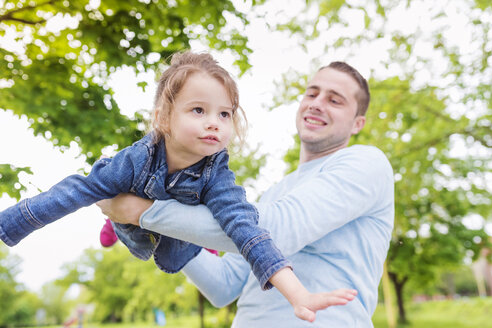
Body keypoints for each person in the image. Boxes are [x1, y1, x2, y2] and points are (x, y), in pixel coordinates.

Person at [0, 51, 356, 322]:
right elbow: (76, 191)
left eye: (224, 114)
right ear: (163, 117)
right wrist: (12, 224)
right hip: (128, 205)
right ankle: (113, 223)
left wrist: (296, 294)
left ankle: (136, 221)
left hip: (171, 231)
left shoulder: (218, 176)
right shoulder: (135, 160)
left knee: (181, 251)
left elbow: (250, 233)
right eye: (198, 110)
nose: (213, 123)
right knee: (109, 201)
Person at [97, 61, 395, 327]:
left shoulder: (366, 163)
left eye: (335, 100)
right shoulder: (274, 193)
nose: (317, 103)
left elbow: (279, 230)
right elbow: (224, 286)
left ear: (358, 123)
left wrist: (145, 211)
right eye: (312, 93)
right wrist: (156, 219)